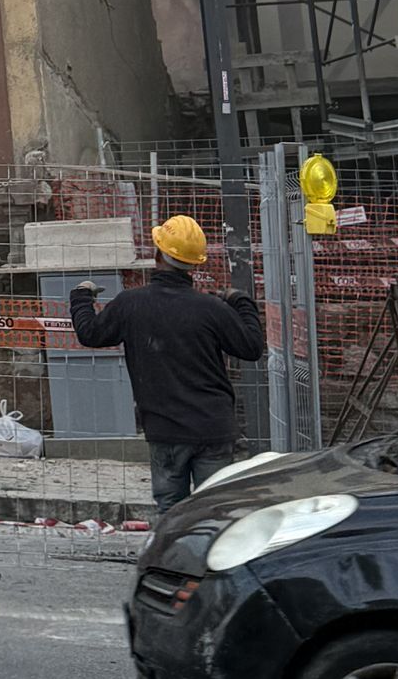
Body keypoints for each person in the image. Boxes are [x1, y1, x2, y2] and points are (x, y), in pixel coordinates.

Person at [69, 215, 266, 512]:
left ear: (158, 254)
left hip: (166, 430)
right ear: (194, 264)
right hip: (213, 427)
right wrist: (241, 301)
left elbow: (90, 334)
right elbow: (251, 348)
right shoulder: (211, 308)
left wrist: (81, 298)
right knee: (213, 512)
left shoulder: (131, 304)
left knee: (171, 511)